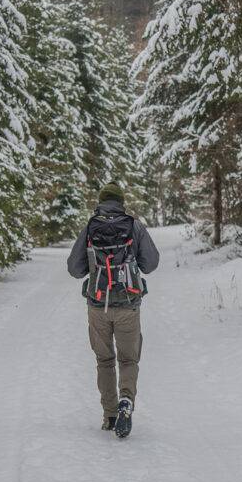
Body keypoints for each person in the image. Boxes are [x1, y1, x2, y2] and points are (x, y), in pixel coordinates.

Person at [67, 182, 159, 438]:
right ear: (121, 202)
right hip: (129, 305)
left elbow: (74, 269)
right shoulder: (133, 226)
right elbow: (151, 264)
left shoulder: (90, 227)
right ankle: (126, 400)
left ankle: (109, 415)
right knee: (129, 359)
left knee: (104, 360)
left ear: (101, 201)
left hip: (97, 305)